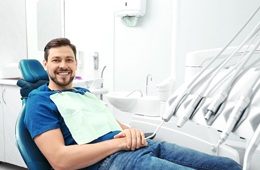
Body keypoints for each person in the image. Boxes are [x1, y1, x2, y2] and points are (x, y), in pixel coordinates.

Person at [24, 37, 242, 170]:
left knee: (229, 166)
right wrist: (120, 143)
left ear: (76, 63)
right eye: (56, 60)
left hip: (143, 147)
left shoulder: (84, 93)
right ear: (45, 65)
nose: (63, 65)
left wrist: (132, 132)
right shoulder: (39, 101)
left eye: (68, 59)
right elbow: (60, 161)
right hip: (110, 163)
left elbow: (112, 124)